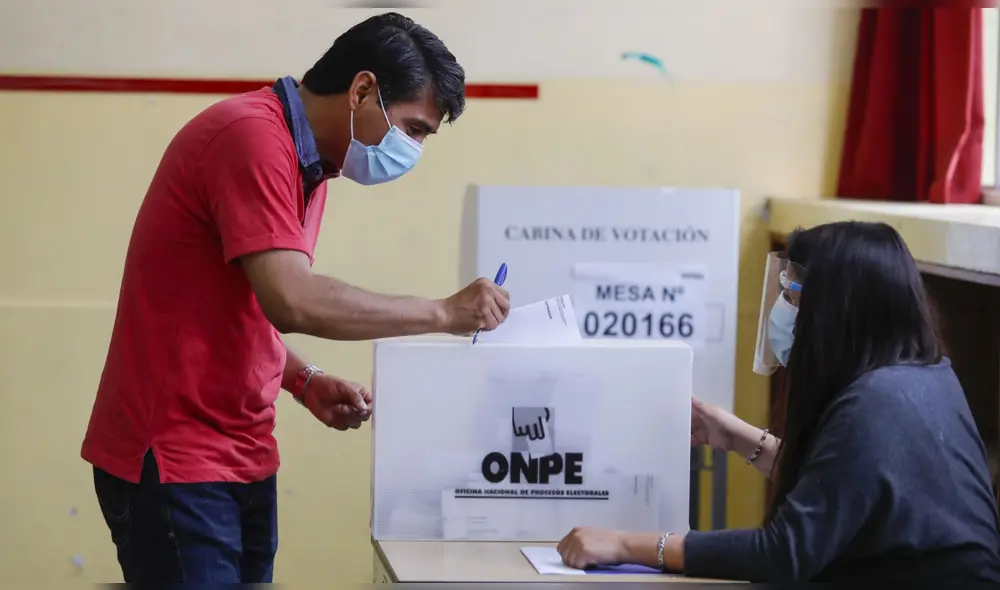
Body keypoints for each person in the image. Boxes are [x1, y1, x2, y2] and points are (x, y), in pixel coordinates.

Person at [80, 13, 510, 584]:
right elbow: (292, 299)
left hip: (242, 453)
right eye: (413, 129)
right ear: (362, 90)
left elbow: (237, 307)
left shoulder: (312, 164)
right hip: (176, 457)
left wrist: (303, 380)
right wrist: (443, 312)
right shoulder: (251, 138)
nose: (412, 149)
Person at [556, 221, 1000, 583]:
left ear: (836, 312)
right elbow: (841, 488)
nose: (782, 310)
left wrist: (624, 544)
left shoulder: (876, 404)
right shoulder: (926, 378)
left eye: (792, 296)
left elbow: (784, 552)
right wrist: (731, 434)